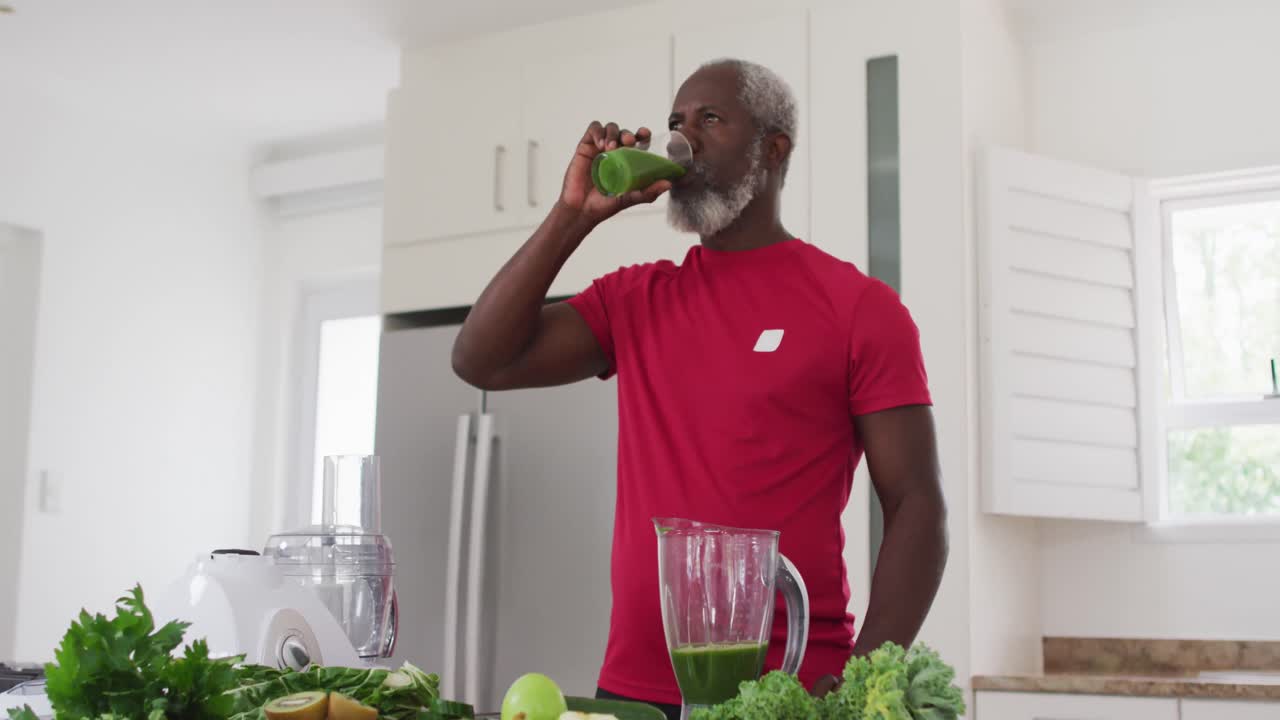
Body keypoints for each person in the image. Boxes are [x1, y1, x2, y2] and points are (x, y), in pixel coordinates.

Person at [452, 58, 948, 720]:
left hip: (789, 693)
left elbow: (917, 506)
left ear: (773, 150)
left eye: (710, 119)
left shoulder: (859, 309)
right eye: (675, 124)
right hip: (631, 693)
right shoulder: (636, 298)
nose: (683, 140)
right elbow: (481, 360)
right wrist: (573, 215)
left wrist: (861, 683)